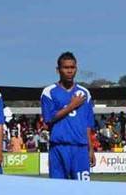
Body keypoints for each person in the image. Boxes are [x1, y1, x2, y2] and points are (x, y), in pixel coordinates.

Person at [41, 51, 96, 180]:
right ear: (58, 70)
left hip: (80, 149)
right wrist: (71, 106)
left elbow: (87, 124)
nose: (70, 71)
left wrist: (90, 148)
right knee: (58, 192)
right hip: (59, 147)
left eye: (72, 67)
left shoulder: (84, 93)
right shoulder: (49, 92)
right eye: (66, 68)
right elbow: (49, 119)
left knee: (83, 191)